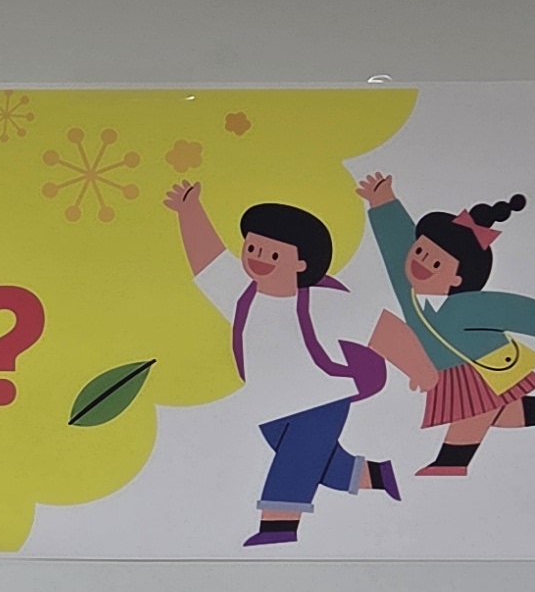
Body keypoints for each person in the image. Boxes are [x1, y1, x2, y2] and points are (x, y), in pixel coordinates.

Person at [163, 179, 398, 549]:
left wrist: (419, 367)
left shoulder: (320, 300)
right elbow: (208, 262)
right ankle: (379, 475)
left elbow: (381, 328)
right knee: (329, 468)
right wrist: (190, 212)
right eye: (252, 247)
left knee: (295, 465)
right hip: (270, 405)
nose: (257, 256)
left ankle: (278, 529)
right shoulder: (241, 294)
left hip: (321, 399)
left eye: (272, 254)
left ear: (301, 263)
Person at [355, 175, 535, 476]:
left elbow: (508, 309)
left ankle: (452, 461)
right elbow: (397, 247)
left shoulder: (468, 305)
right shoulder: (408, 289)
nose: (421, 262)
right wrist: (383, 202)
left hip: (480, 364)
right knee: (492, 412)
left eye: (436, 263)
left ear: (457, 278)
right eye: (420, 251)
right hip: (449, 368)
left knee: (473, 412)